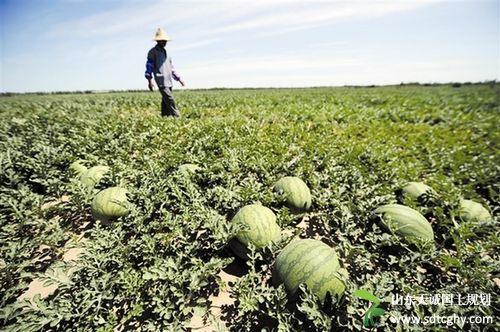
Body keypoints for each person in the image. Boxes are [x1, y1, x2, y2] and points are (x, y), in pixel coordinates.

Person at [145, 28, 185, 117]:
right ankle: (177, 117)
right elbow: (149, 67)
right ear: (157, 41)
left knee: (165, 101)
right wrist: (150, 81)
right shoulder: (152, 52)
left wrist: (179, 79)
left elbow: (171, 68)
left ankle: (164, 117)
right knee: (170, 99)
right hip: (161, 80)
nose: (164, 42)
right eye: (162, 40)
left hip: (169, 80)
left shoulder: (167, 53)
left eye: (165, 40)